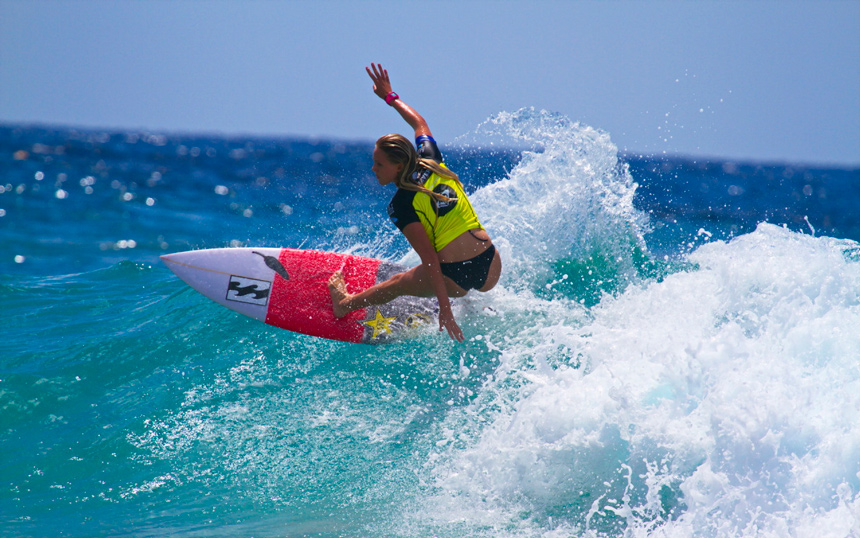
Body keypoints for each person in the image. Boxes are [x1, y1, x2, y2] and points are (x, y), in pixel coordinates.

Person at [329, 63, 502, 342]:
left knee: (397, 284)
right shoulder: (432, 160)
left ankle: (344, 304)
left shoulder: (401, 205)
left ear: (398, 167)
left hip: (455, 278)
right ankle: (469, 300)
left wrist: (445, 309)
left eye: (379, 164)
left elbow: (431, 260)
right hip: (490, 264)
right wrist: (390, 97)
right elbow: (419, 123)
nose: (373, 169)